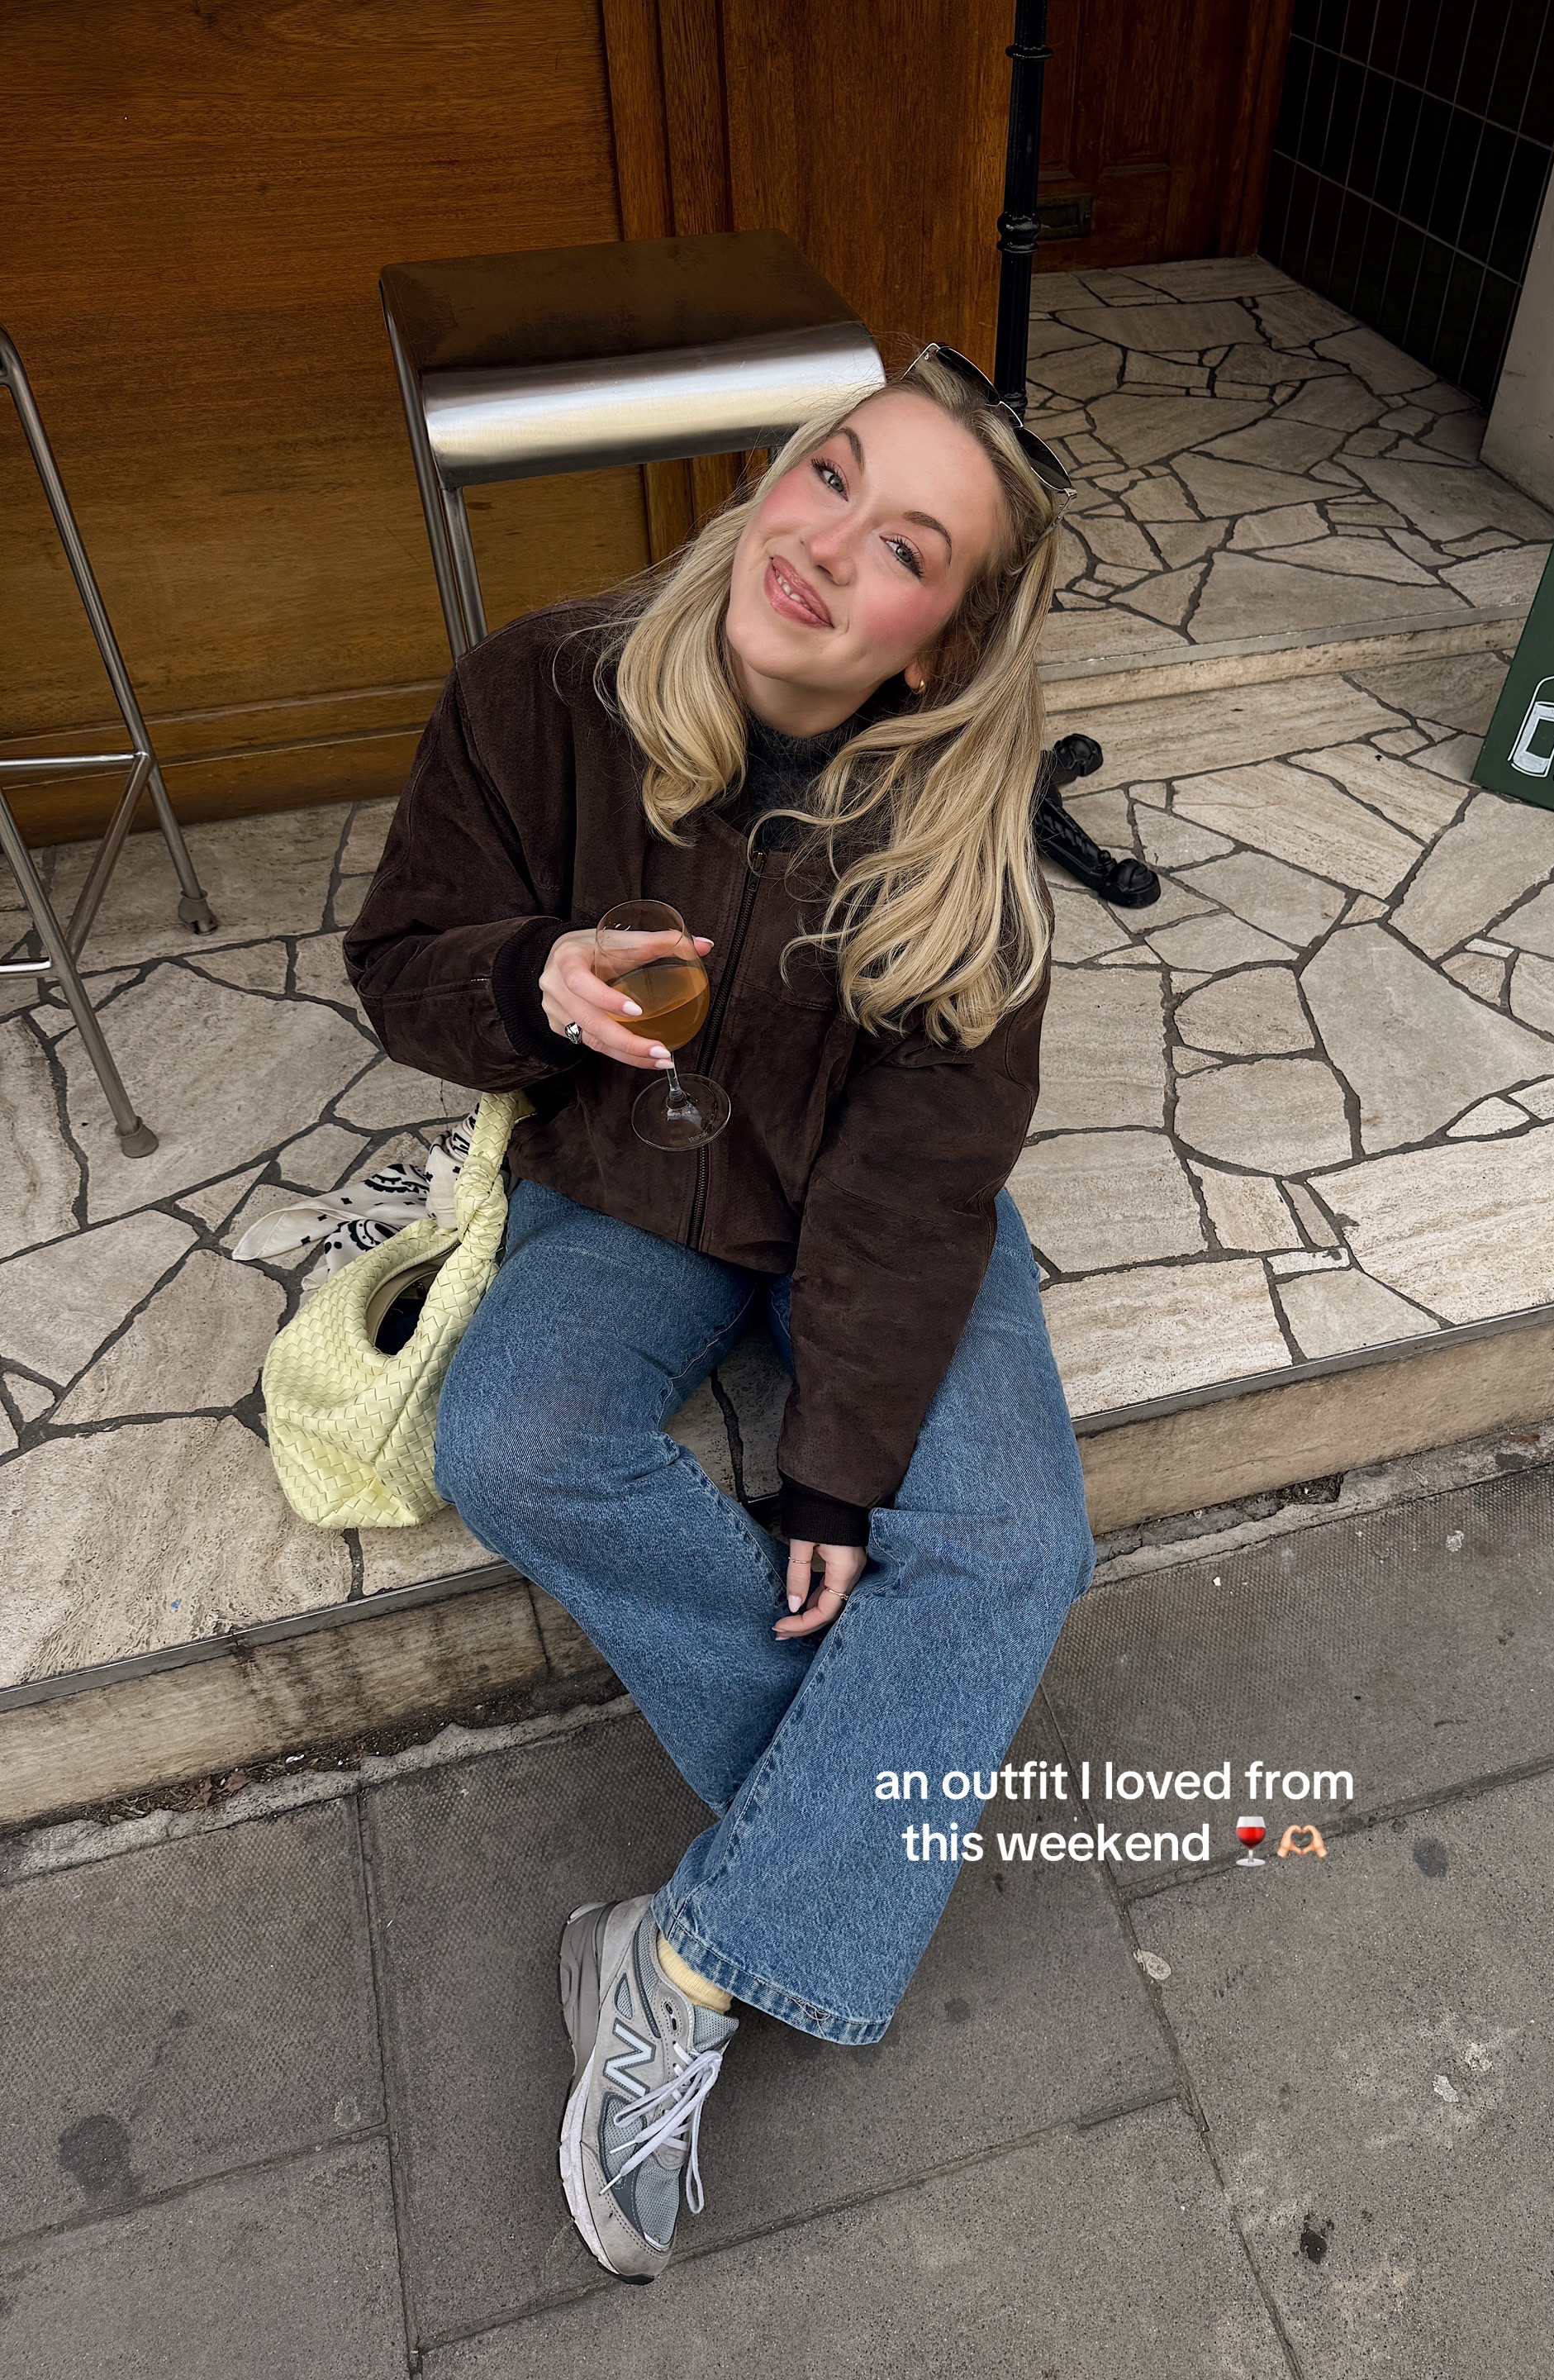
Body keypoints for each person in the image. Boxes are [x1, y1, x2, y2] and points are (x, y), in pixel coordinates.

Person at [343, 344, 1096, 2283]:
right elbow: (401, 963)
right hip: (628, 1181)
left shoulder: (964, 836)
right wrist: (531, 980)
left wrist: (838, 1474)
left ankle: (682, 1960)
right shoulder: (542, 692)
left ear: (941, 647)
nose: (826, 546)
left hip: (865, 1210)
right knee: (513, 1436)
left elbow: (923, 1174)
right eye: (830, 476)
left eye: (905, 545)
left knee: (1014, 1542)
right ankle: (866, 1820)